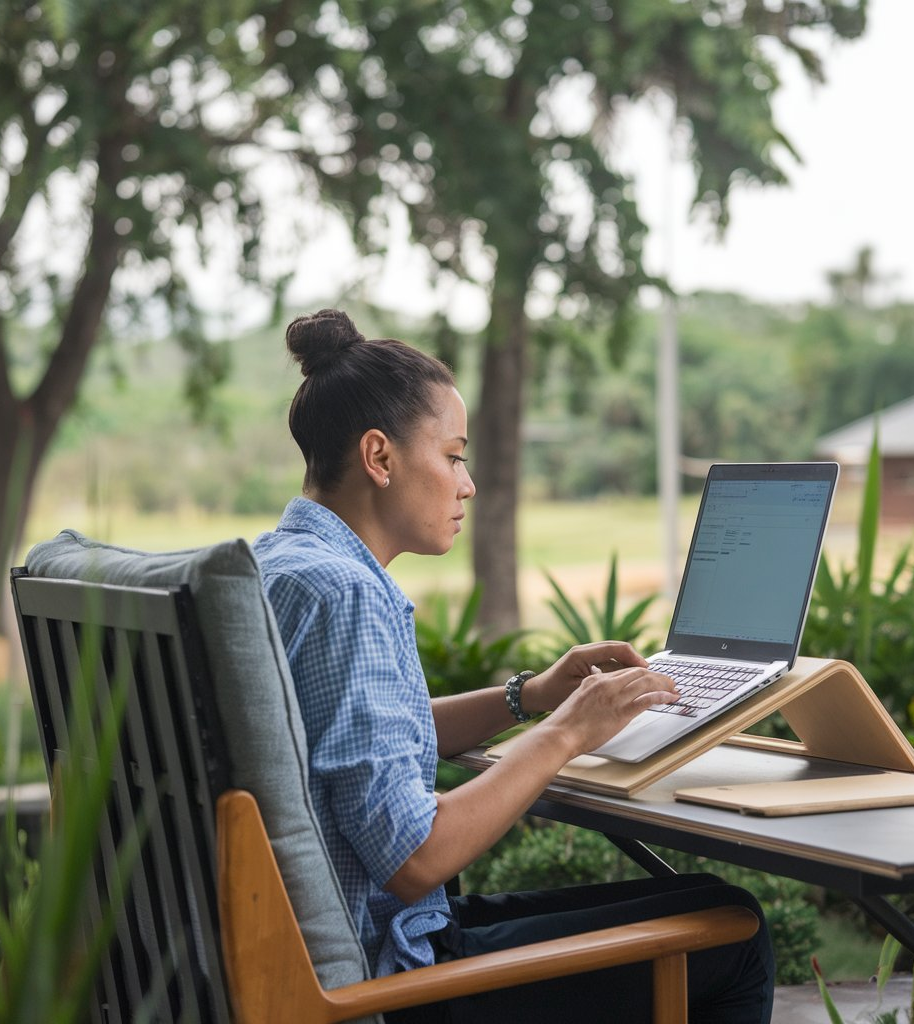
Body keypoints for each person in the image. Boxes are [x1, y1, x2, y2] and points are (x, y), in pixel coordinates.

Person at [252, 308, 774, 1024]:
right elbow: (416, 859)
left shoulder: (280, 566)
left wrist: (528, 695)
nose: (466, 484)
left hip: (320, 952)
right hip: (391, 981)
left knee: (714, 904)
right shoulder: (345, 593)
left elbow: (350, 744)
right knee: (734, 933)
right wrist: (565, 735)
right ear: (380, 458)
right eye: (453, 456)